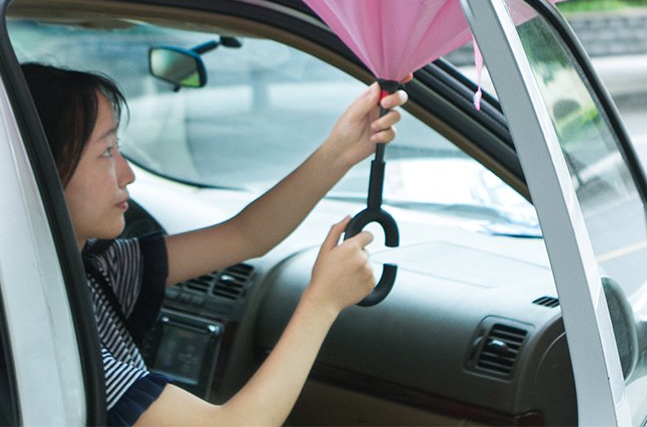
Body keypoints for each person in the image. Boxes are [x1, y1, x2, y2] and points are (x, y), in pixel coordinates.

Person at [21, 62, 408, 426]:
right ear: (40, 169)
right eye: (106, 152)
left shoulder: (92, 271)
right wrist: (321, 303)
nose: (129, 174)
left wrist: (340, 152)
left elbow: (247, 235)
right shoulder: (40, 335)